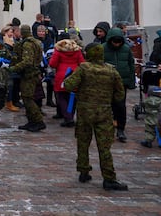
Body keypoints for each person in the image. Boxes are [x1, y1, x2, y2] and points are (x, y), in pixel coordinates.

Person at [63, 43, 128, 190]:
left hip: (85, 111)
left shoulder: (83, 69)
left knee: (83, 142)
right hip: (104, 112)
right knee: (104, 146)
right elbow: (120, 95)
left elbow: (68, 85)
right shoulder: (111, 71)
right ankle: (109, 178)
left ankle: (84, 171)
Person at [10, 24, 46, 131]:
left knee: (27, 98)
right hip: (34, 73)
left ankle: (38, 121)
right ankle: (31, 121)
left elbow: (27, 61)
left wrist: (14, 68)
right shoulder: (36, 42)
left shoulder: (28, 44)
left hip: (29, 74)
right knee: (27, 97)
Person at [102, 27, 135, 143]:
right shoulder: (103, 48)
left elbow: (131, 65)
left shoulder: (126, 49)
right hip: (106, 83)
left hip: (122, 82)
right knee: (108, 106)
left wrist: (131, 81)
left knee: (121, 106)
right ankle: (107, 129)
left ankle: (121, 129)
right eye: (114, 42)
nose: (116, 44)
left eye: (119, 42)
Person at [49, 37, 85, 126]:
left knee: (61, 97)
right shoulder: (77, 51)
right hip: (74, 75)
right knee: (72, 98)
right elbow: (82, 63)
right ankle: (70, 116)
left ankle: (67, 117)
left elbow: (52, 64)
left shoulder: (58, 51)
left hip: (61, 76)